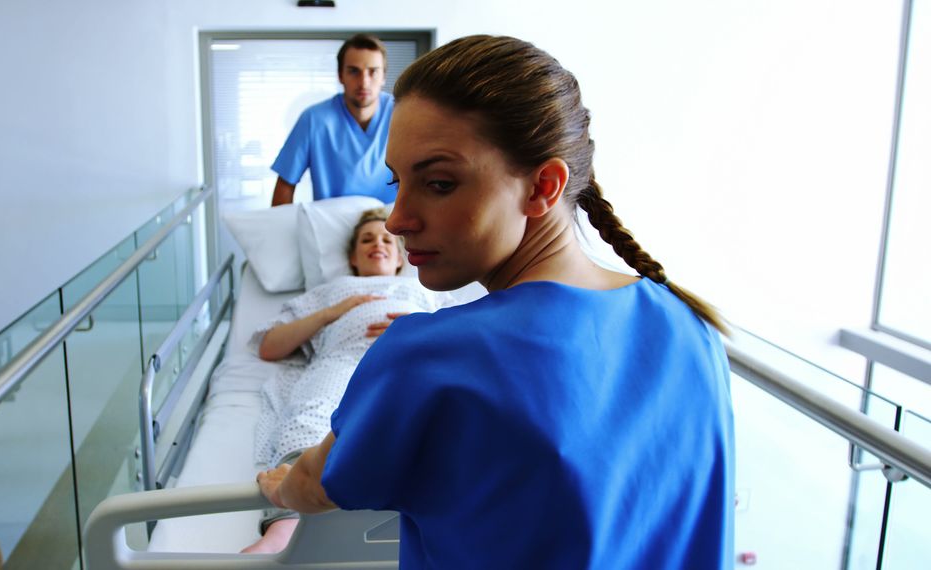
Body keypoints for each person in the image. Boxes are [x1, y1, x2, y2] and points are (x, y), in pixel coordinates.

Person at [256, 35, 735, 569]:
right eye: (397, 182)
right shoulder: (692, 330)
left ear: (542, 187)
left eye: (438, 183)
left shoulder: (430, 356)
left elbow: (318, 484)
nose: (396, 219)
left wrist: (281, 490)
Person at [243, 208, 451, 554]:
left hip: (409, 362)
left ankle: (424, 527)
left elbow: (463, 341)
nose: (377, 244)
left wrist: (419, 331)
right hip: (341, 362)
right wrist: (332, 312)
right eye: (366, 239)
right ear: (352, 257)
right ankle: (283, 531)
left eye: (387, 239)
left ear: (402, 255)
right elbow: (269, 347)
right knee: (308, 419)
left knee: (429, 423)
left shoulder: (424, 289)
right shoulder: (334, 289)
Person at [270, 34, 397, 206]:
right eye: (354, 71)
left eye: (373, 71)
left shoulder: (401, 115)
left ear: (383, 77)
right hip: (331, 228)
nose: (364, 82)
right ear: (340, 76)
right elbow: (285, 184)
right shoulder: (314, 120)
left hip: (389, 228)